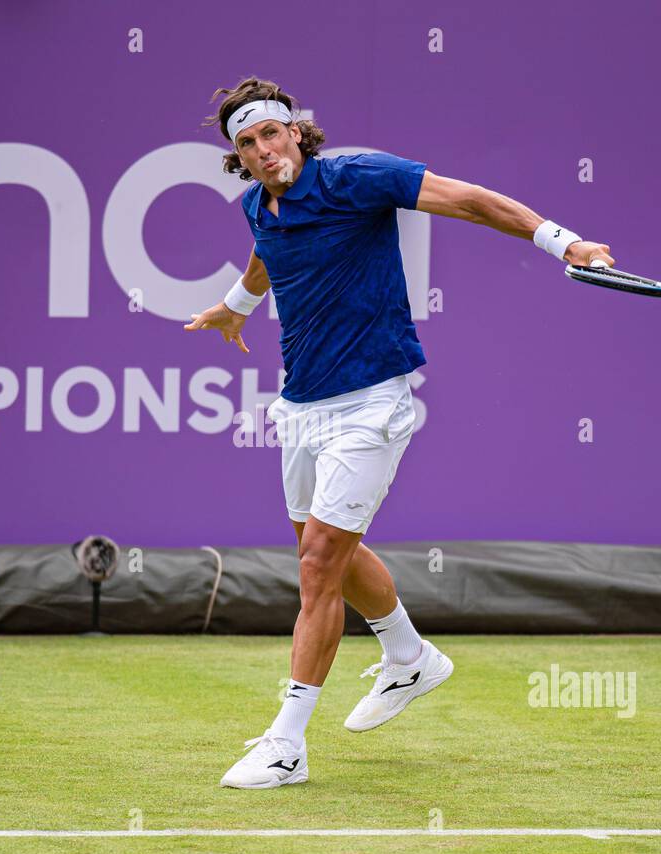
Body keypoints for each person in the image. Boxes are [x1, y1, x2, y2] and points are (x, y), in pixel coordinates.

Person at [186, 78, 614, 789]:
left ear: (296, 131)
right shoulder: (257, 204)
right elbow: (268, 252)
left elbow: (471, 200)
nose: (264, 151)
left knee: (319, 561)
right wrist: (235, 307)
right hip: (301, 408)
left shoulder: (359, 178)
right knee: (325, 551)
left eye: (271, 134)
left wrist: (562, 243)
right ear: (239, 156)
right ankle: (411, 658)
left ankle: (287, 744)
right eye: (247, 143)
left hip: (373, 402)